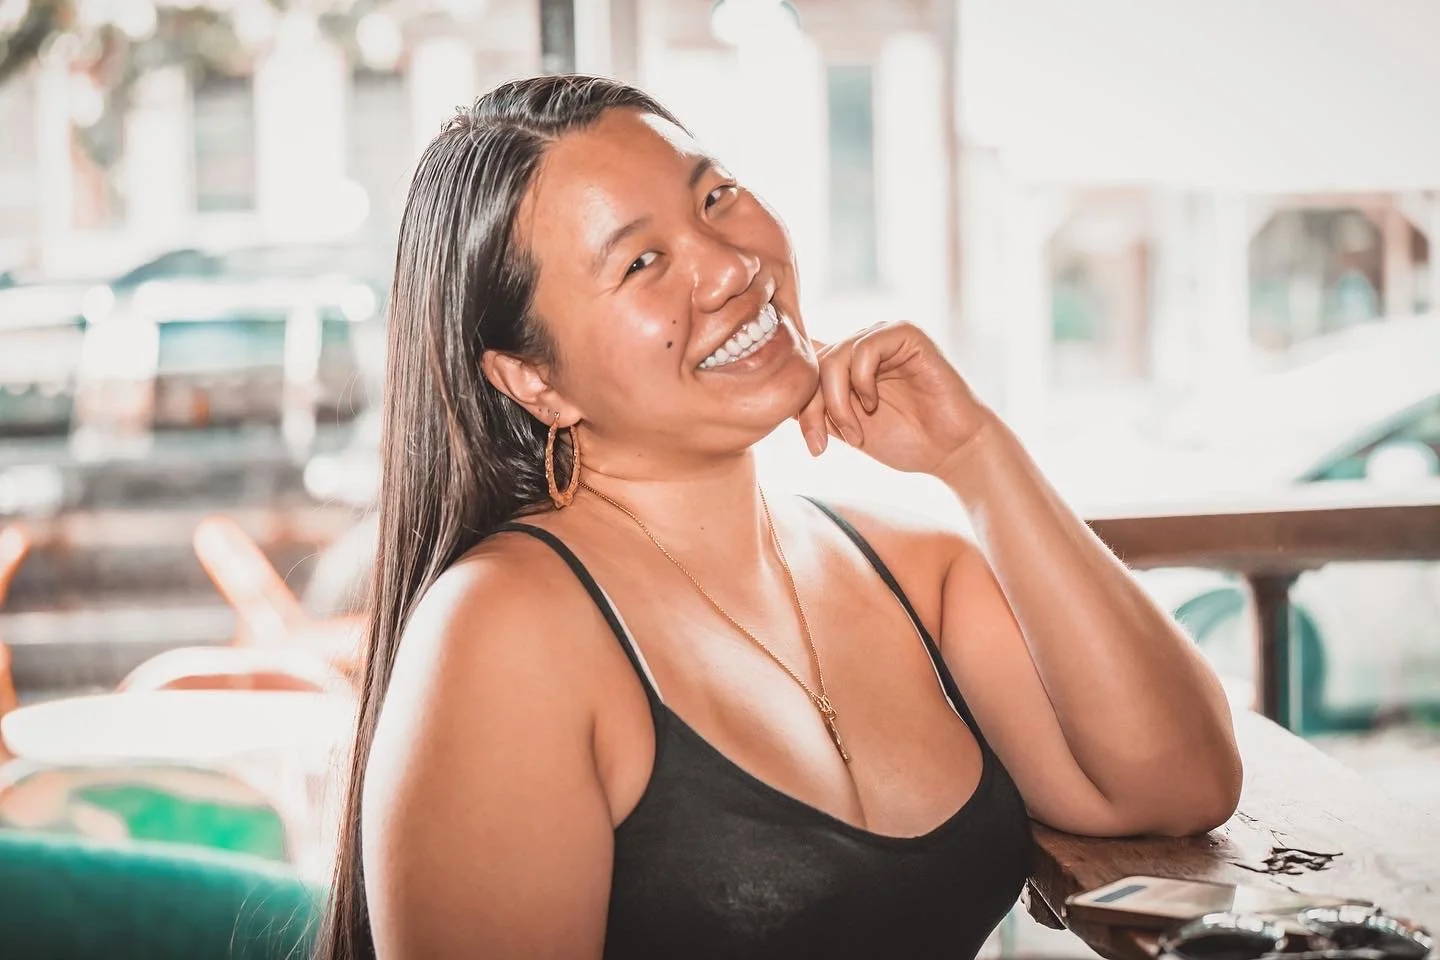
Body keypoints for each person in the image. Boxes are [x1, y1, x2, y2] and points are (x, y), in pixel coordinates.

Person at [315, 76, 1242, 960]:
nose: (730, 267)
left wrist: (979, 459)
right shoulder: (503, 631)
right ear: (534, 380)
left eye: (716, 198)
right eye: (641, 262)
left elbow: (1177, 785)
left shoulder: (916, 571)